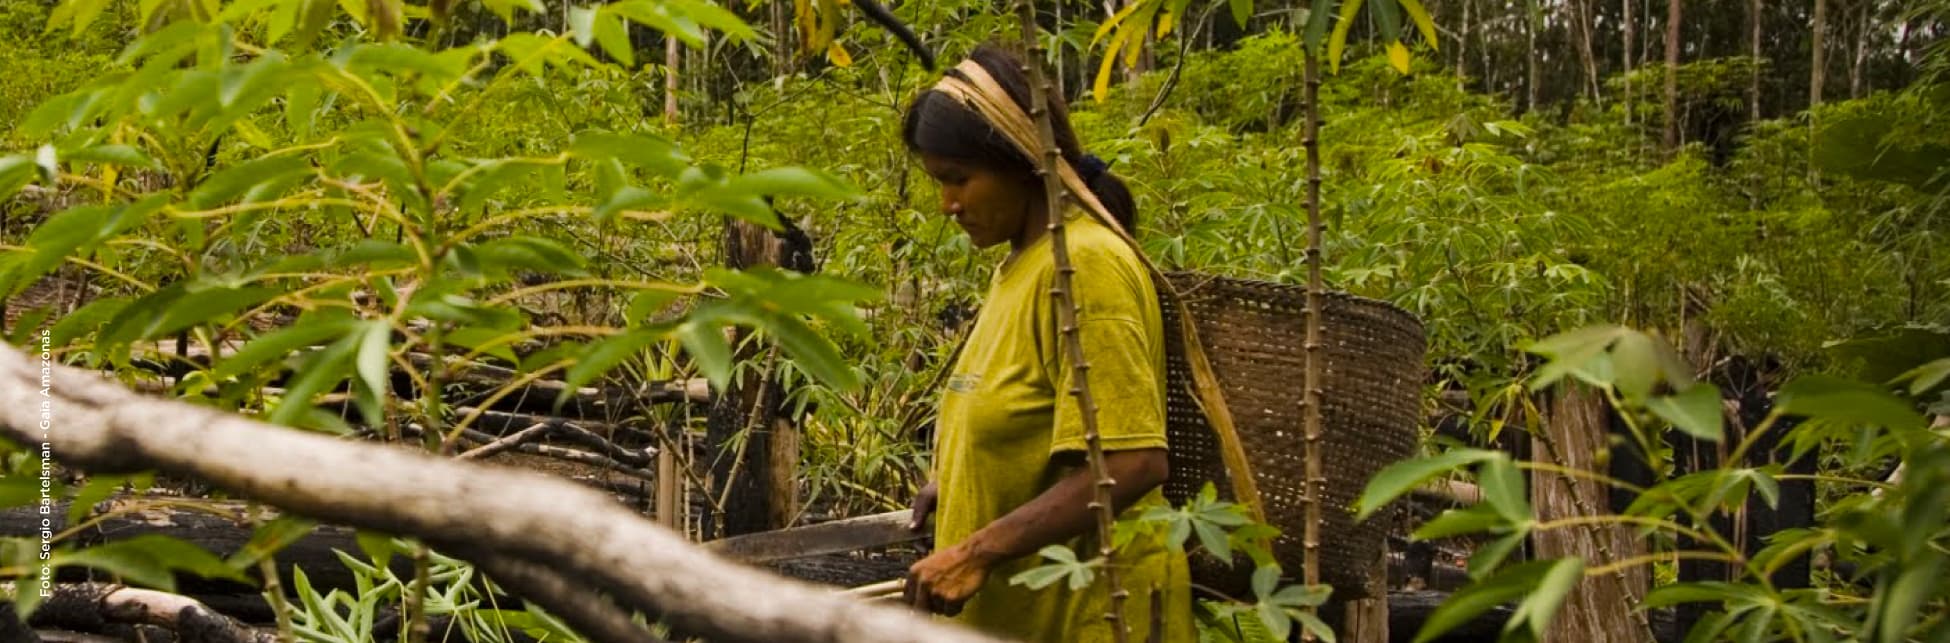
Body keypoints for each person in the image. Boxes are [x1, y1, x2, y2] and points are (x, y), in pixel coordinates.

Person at [898, 44, 1194, 643]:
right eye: (938, 182)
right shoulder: (1020, 266)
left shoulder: (1084, 266)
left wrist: (977, 551)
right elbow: (1022, 418)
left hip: (1093, 619)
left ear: (1021, 159)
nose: (948, 205)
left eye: (959, 180)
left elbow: (1133, 463)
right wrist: (958, 483)